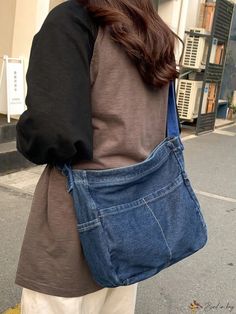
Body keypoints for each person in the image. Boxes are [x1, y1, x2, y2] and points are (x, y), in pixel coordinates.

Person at [15, 0, 181, 313]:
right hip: (133, 216)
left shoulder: (72, 20)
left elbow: (53, 134)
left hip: (75, 218)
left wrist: (27, 128)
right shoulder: (151, 31)